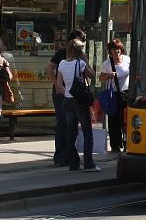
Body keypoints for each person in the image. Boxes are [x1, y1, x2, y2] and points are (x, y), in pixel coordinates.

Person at [55, 38, 99, 172]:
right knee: (87, 132)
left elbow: (58, 84)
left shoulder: (62, 63)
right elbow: (92, 75)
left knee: (71, 132)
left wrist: (67, 93)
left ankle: (73, 164)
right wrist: (86, 61)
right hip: (79, 102)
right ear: (80, 51)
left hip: (67, 101)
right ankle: (89, 163)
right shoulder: (80, 63)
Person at [46, 29, 86, 167]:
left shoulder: (80, 56)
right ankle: (61, 156)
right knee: (63, 124)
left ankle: (69, 155)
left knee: (71, 125)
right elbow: (49, 68)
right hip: (62, 93)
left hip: (72, 94)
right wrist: (57, 85)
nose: (83, 43)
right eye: (82, 40)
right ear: (74, 40)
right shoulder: (62, 53)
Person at [98, 38, 130, 153]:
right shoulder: (107, 63)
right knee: (114, 120)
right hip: (114, 94)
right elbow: (100, 79)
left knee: (126, 121)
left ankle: (127, 143)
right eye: (114, 49)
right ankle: (115, 145)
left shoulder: (127, 59)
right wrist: (108, 75)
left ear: (121, 49)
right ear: (110, 51)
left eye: (118, 49)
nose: (116, 51)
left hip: (126, 93)